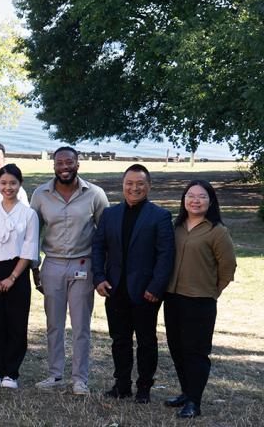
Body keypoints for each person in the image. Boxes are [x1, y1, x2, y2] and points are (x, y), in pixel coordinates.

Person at [30, 146, 109, 395]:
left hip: (83, 265)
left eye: (69, 162)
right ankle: (55, 375)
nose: (64, 167)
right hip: (52, 263)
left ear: (78, 164)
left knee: (80, 325)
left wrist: (101, 272)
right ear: (54, 166)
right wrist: (35, 268)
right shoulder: (40, 194)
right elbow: (32, 233)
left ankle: (79, 379)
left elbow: (105, 234)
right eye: (59, 163)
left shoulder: (95, 194)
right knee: (54, 323)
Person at [92, 164, 175, 403]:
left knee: (147, 342)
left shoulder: (159, 216)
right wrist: (99, 277)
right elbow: (98, 247)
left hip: (146, 291)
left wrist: (156, 287)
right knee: (120, 340)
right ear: (123, 185)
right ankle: (122, 385)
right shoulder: (110, 214)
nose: (134, 188)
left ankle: (144, 388)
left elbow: (165, 255)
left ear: (148, 186)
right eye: (129, 183)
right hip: (115, 288)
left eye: (140, 184)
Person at [164, 180, 236, 418]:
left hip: (201, 301)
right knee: (177, 349)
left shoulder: (217, 231)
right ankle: (186, 392)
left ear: (211, 201)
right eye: (190, 195)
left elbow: (228, 267)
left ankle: (194, 401)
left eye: (202, 196)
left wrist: (213, 291)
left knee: (196, 352)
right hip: (173, 298)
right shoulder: (176, 227)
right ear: (184, 200)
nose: (195, 200)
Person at [0, 164, 37, 389]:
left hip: (17, 272)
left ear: (19, 184)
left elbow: (30, 248)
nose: (7, 187)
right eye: (3, 183)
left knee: (16, 324)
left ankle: (11, 373)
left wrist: (12, 278)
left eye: (12, 183)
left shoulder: (29, 214)